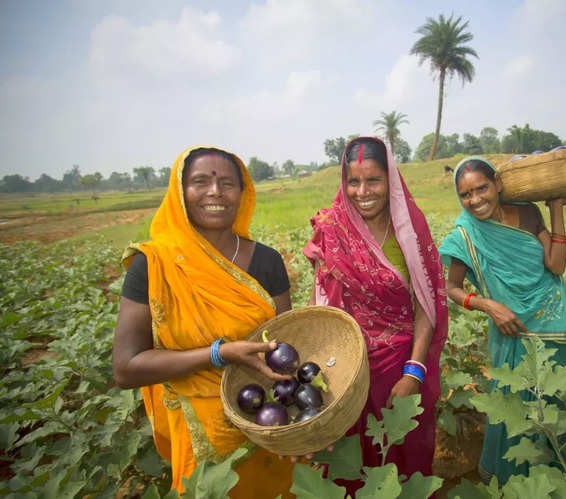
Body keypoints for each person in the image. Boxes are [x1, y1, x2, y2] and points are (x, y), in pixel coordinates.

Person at [112, 146, 295, 497]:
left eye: (227, 182)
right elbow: (126, 368)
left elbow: (284, 353)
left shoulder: (267, 261)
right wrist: (218, 354)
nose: (215, 192)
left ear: (242, 193)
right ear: (180, 193)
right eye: (200, 182)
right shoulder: (153, 266)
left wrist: (301, 425)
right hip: (202, 443)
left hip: (265, 424)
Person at [303, 136, 448, 491]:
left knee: (404, 457)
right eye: (353, 181)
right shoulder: (332, 230)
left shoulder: (408, 231)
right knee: (351, 464)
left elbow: (425, 307)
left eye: (373, 180)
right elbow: (321, 306)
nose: (362, 191)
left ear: (391, 180)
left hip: (400, 366)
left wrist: (413, 372)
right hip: (347, 371)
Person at [438, 156, 566, 486]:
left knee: (553, 404)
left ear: (497, 184)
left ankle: (555, 484)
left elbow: (555, 267)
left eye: (482, 188)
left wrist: (556, 208)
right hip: (510, 330)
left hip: (550, 321)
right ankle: (515, 486)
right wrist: (489, 306)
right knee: (514, 409)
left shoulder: (528, 212)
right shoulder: (465, 235)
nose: (475, 200)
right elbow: (451, 288)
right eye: (466, 195)